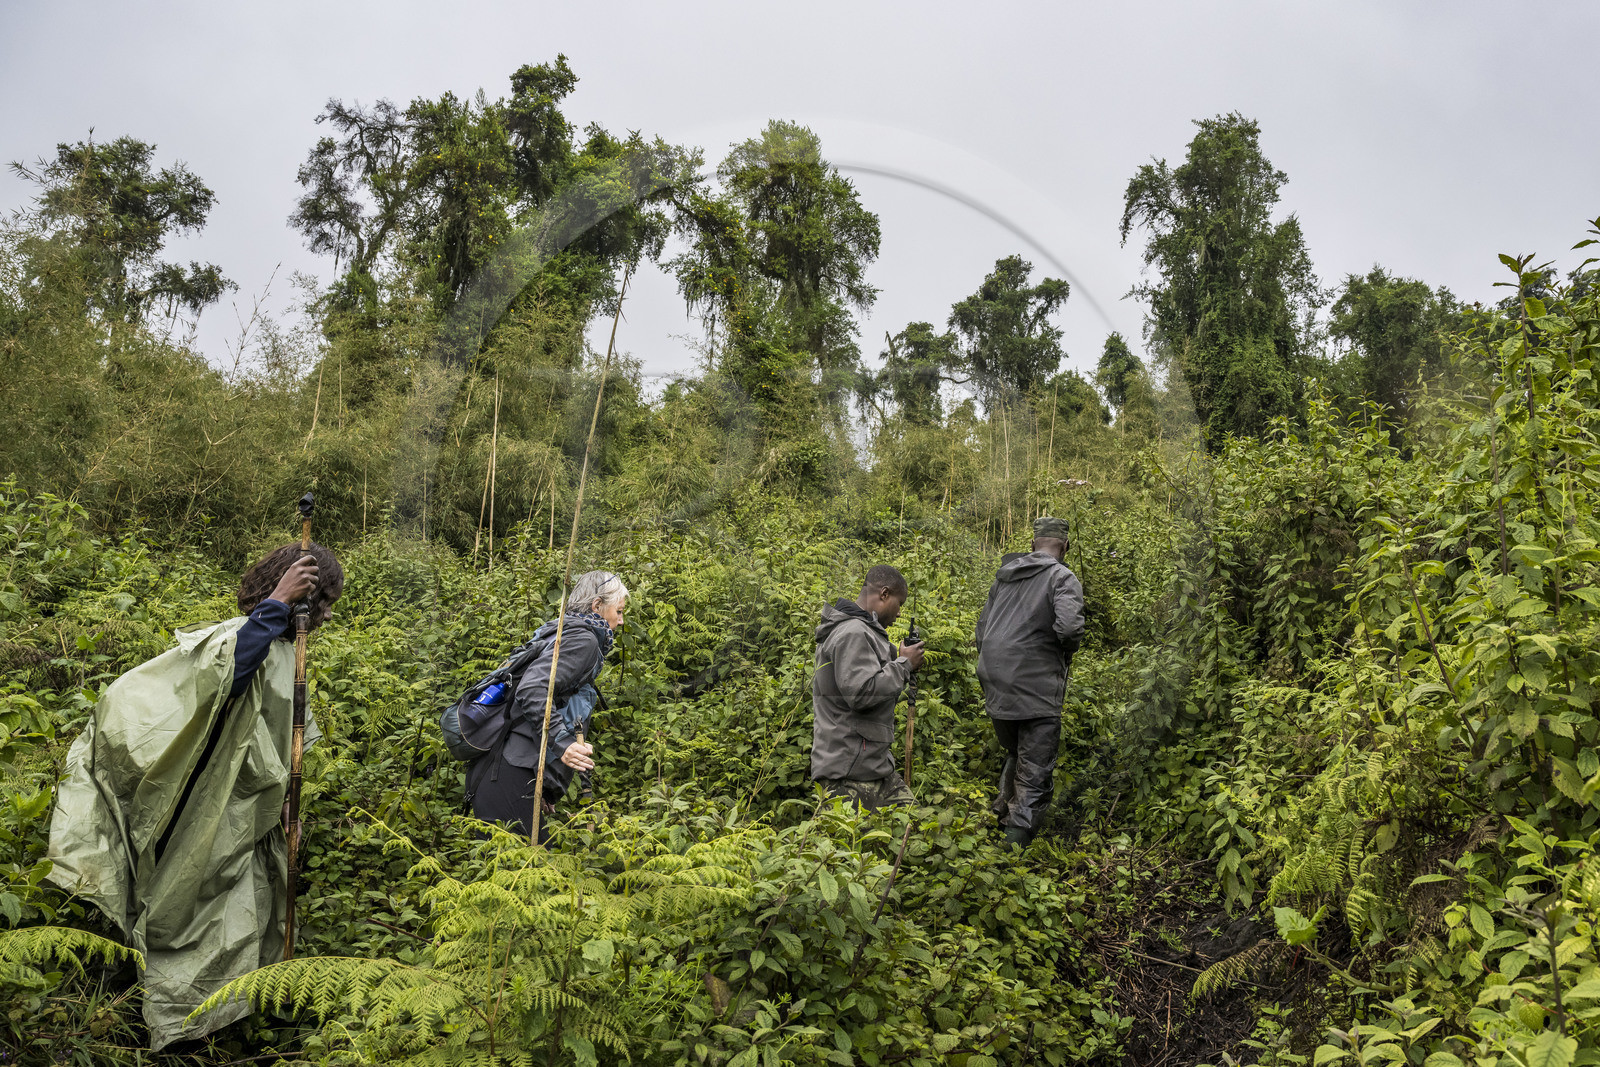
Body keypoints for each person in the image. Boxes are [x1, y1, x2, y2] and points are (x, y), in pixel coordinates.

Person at [47, 543, 344, 1050]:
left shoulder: (287, 658)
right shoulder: (239, 638)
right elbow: (224, 682)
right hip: (192, 808)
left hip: (238, 815)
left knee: (221, 917)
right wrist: (276, 604)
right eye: (328, 601)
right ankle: (171, 1027)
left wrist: (289, 808)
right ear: (304, 599)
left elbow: (282, 744)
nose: (331, 614)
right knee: (178, 914)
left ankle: (213, 1018)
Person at [467, 570, 626, 838]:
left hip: (507, 770)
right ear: (597, 606)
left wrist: (548, 785)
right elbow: (531, 690)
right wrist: (563, 744)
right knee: (526, 871)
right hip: (508, 772)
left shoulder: (563, 630)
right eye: (619, 611)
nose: (620, 621)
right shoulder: (583, 639)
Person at [975, 516, 1085, 848]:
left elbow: (981, 632)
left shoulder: (1003, 579)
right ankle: (1012, 848)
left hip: (994, 680)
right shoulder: (1062, 577)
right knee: (1035, 769)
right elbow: (1069, 630)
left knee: (1015, 750)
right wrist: (1061, 653)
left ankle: (999, 815)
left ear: (1032, 544)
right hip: (1035, 685)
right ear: (1065, 546)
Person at [811, 564, 925, 810]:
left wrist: (899, 662)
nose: (898, 614)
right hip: (847, 774)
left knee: (916, 831)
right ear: (884, 594)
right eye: (899, 604)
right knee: (844, 847)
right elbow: (860, 693)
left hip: (875, 769)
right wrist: (904, 665)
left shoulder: (864, 632)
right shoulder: (853, 632)